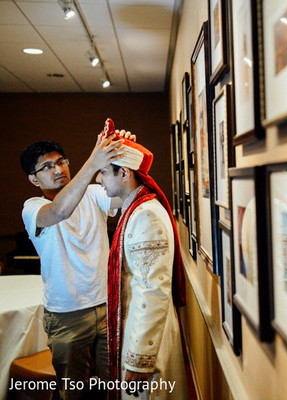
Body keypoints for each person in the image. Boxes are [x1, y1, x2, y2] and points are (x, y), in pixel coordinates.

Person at [20, 130, 131, 400]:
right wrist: (93, 162)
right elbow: (60, 211)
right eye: (47, 167)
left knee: (113, 387)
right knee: (74, 392)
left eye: (61, 161)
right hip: (66, 316)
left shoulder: (94, 193)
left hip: (106, 307)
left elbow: (130, 195)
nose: (58, 169)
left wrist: (125, 154)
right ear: (34, 179)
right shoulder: (33, 207)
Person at [95, 129, 188, 400]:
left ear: (124, 173)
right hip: (138, 325)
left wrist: (139, 361)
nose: (98, 178)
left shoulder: (145, 214)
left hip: (145, 339)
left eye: (102, 172)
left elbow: (153, 290)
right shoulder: (135, 207)